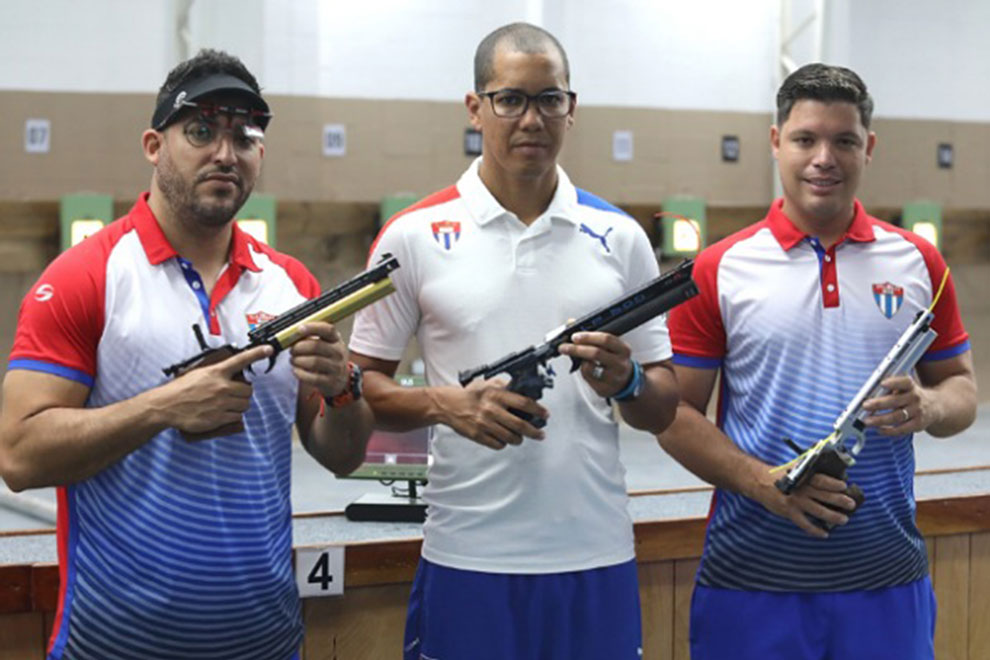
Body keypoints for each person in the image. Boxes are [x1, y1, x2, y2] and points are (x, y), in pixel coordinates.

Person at [0, 49, 373, 660]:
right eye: (201, 130)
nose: (225, 152)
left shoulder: (291, 285)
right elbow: (18, 454)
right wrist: (161, 408)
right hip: (111, 645)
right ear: (154, 145)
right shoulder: (86, 276)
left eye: (245, 135)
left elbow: (343, 455)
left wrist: (343, 386)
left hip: (265, 643)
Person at [348, 22, 680, 660]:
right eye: (510, 99)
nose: (531, 118)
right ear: (475, 108)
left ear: (571, 108)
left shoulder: (621, 237)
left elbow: (663, 406)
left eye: (549, 99)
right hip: (468, 557)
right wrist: (449, 404)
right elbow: (362, 388)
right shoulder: (412, 236)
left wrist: (629, 382)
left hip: (596, 553)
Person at [661, 63, 977, 660]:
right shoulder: (720, 268)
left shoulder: (919, 263)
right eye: (806, 139)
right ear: (776, 140)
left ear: (870, 147)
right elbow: (674, 415)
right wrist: (766, 485)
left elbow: (961, 390)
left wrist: (930, 405)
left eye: (844, 141)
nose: (823, 158)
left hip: (887, 579)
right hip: (750, 578)